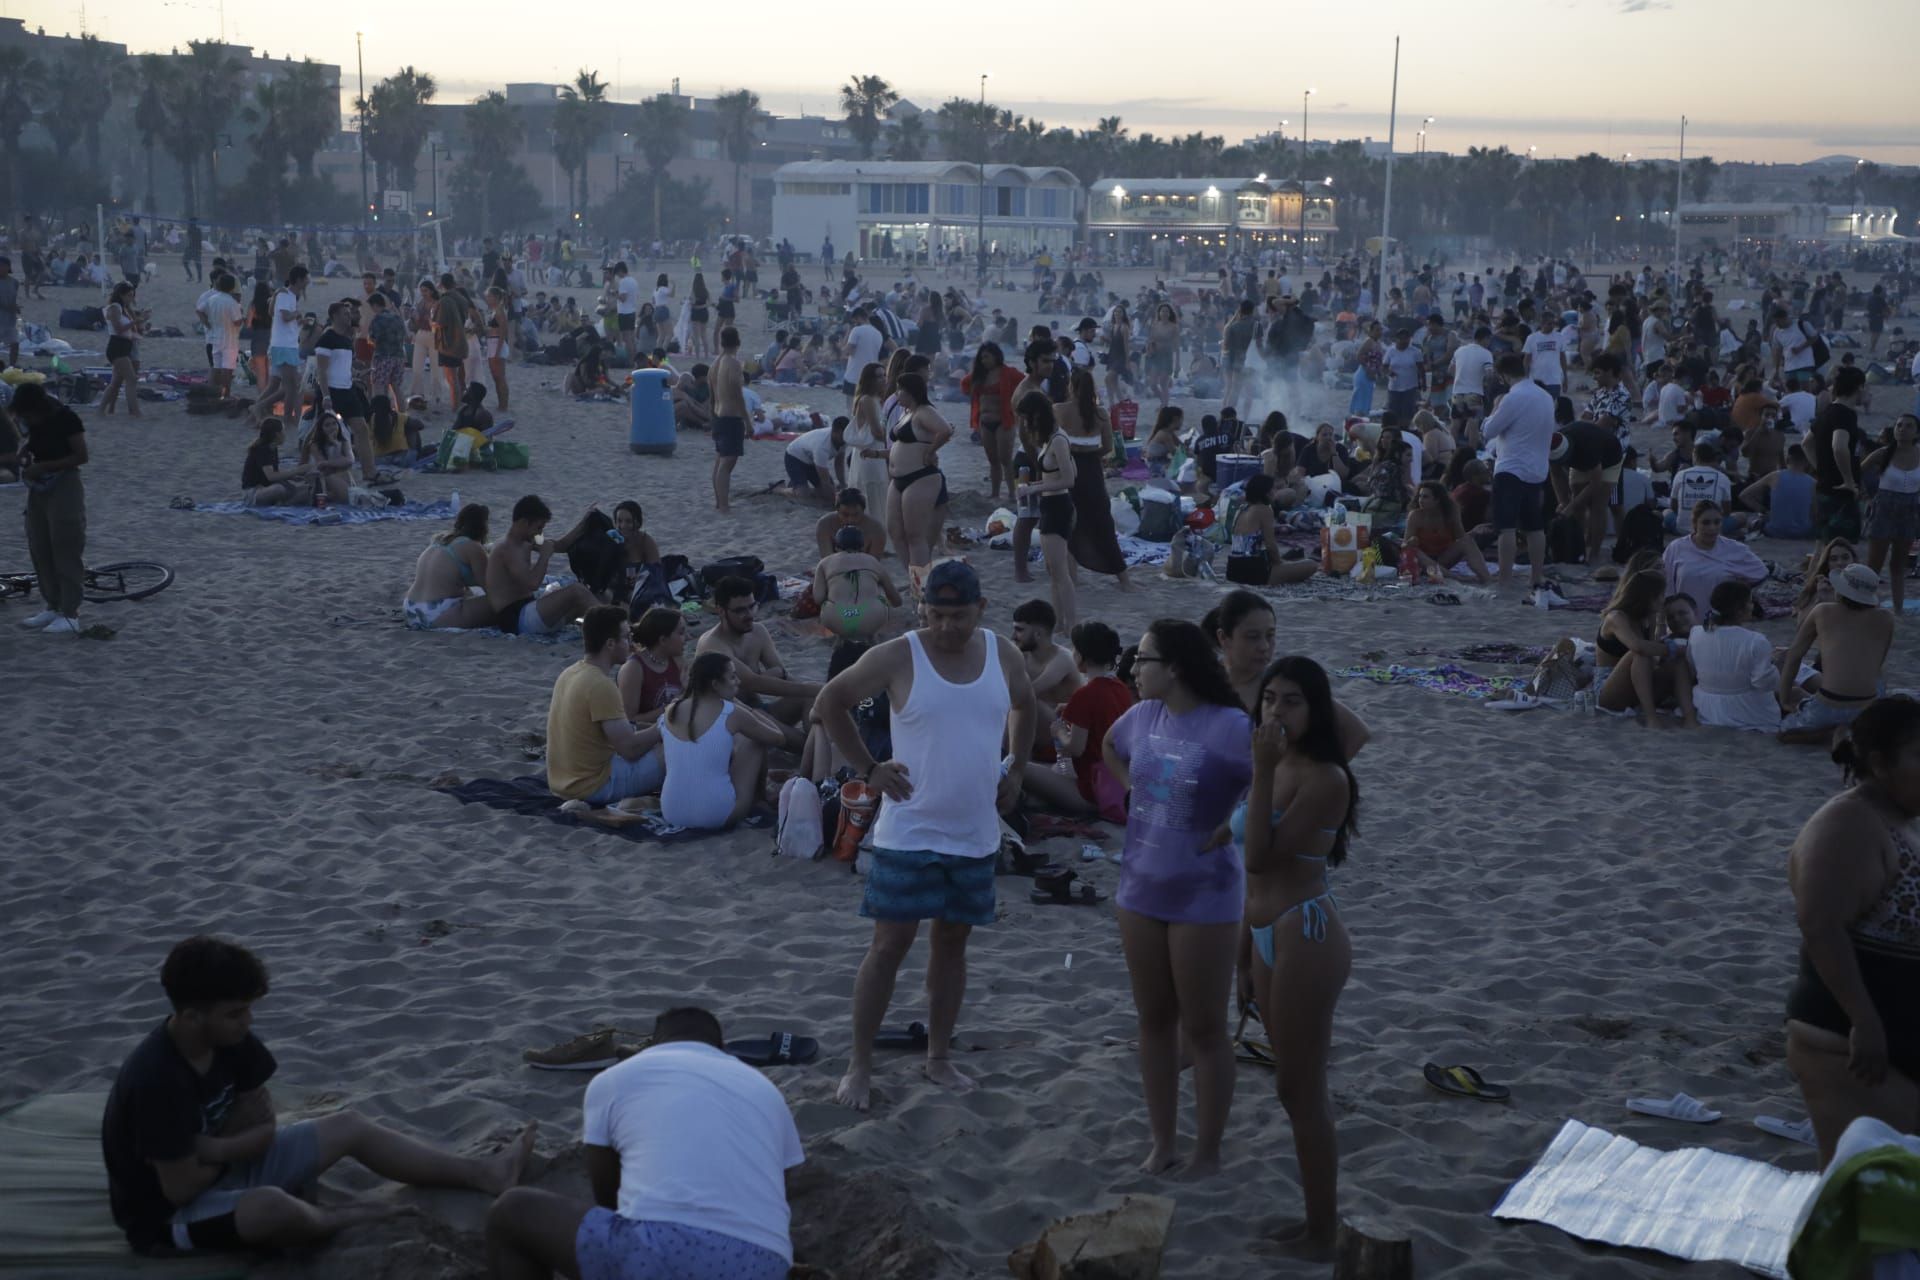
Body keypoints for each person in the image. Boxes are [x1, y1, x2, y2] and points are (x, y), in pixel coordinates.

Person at [102, 935, 533, 1258]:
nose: (247, 1022)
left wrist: (216, 1145)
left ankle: (482, 1174)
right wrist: (237, 1137)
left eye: (249, 1009)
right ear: (192, 1016)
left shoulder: (232, 1041)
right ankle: (342, 1217)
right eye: (235, 1012)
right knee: (271, 1208)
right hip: (169, 1218)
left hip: (227, 1168)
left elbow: (264, 1129)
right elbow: (180, 1189)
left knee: (350, 1126)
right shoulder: (156, 1080)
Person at [814, 561, 1036, 1110]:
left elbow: (1026, 706)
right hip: (910, 830)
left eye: (957, 616)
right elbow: (829, 703)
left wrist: (1018, 769)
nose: (945, 627)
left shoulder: (1001, 652)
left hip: (975, 832)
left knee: (952, 945)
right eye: (935, 615)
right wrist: (869, 770)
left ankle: (938, 1056)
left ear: (980, 609)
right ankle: (859, 1064)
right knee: (889, 945)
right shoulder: (899, 654)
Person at [485, 1005, 803, 1280]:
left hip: (662, 1252)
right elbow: (783, 1190)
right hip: (766, 1265)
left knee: (512, 1211)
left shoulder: (615, 1078)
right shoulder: (767, 1092)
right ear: (721, 1049)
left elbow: (608, 1196)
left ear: (652, 1044)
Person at [1101, 619, 1251, 1176]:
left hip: (1205, 896)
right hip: (1138, 888)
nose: (1133, 670)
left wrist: (1235, 824)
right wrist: (1129, 787)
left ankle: (1207, 1151)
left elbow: (1276, 783)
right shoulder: (1141, 717)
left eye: (1143, 660)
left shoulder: (1231, 726)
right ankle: (1162, 1142)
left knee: (1206, 1028)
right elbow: (1107, 747)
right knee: (1154, 1021)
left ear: (1177, 667)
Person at [1238, 656, 1358, 1253]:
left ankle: (1321, 1230)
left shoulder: (1324, 778)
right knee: (1293, 1086)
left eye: (1292, 702)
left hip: (1304, 930)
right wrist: (1240, 952)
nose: (1276, 712)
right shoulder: (1274, 762)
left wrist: (1260, 772)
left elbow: (1260, 855)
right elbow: (1245, 873)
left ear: (1316, 710)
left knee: (1300, 1090)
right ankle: (1315, 1223)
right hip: (1263, 929)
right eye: (1269, 699)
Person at [1782, 697, 1920, 1165]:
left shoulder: (1901, 819)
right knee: (1867, 1190)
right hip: (1848, 1037)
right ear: (1880, 763)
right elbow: (1820, 925)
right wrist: (1863, 1019)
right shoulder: (1847, 824)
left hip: (1892, 1030)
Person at [547, 605, 667, 804]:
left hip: (562, 782)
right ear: (610, 644)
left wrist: (653, 731)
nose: (631, 643)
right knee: (676, 748)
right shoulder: (601, 686)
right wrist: (665, 724)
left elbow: (618, 733)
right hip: (592, 787)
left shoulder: (570, 673)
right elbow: (629, 749)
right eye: (627, 637)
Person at [1020, 620, 1133, 817]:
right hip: (1115, 779)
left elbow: (1075, 748)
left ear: (1081, 656)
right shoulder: (1120, 688)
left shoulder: (1086, 695)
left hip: (1091, 791)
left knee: (1016, 767)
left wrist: (1060, 731)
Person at [695, 576, 820, 743]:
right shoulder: (712, 644)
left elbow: (781, 676)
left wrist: (815, 692)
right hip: (731, 721)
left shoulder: (758, 632)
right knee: (802, 740)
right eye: (740, 610)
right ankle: (813, 754)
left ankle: (818, 755)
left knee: (812, 698)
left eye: (752, 607)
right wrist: (814, 688)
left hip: (759, 710)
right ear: (721, 611)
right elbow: (753, 683)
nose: (749, 615)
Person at [1779, 565, 1896, 743]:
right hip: (1868, 706)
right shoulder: (1887, 618)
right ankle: (1855, 729)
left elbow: (1794, 656)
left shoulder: (1822, 611)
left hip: (1831, 704)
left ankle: (1830, 734)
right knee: (1879, 673)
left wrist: (1785, 699)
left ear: (1841, 591)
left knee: (1784, 731)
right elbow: (1878, 663)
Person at [10, 384, 88, 634]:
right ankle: (52, 605)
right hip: (39, 487)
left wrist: (45, 467)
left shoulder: (66, 419)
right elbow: (35, 442)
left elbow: (81, 456)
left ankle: (70, 612)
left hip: (64, 482)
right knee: (40, 545)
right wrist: (25, 451)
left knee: (65, 544)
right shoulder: (33, 421)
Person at [1480, 353, 1558, 600]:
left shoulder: (1513, 398)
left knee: (1507, 527)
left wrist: (1493, 409)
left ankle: (1505, 579)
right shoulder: (1545, 396)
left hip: (1511, 467)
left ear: (1503, 376)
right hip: (1537, 469)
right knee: (1535, 527)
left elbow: (1489, 431)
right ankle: (1536, 575)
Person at [1057, 367, 1132, 589]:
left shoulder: (1058, 410)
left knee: (1067, 524)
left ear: (1071, 386)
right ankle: (1124, 580)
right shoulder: (1100, 414)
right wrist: (1090, 456)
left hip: (1067, 469)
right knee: (1103, 525)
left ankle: (1072, 578)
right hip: (1092, 472)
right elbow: (1108, 447)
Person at [1594, 568, 1696, 727]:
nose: (1663, 600)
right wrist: (1672, 649)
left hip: (1639, 682)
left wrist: (1661, 622)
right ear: (1648, 597)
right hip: (1608, 690)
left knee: (1677, 661)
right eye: (1660, 595)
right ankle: (1651, 718)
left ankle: (1690, 719)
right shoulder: (1616, 618)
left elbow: (1656, 646)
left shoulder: (1648, 616)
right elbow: (1638, 646)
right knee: (1639, 653)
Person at [485, 496, 598, 636]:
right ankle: (618, 626)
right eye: (538, 527)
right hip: (517, 620)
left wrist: (584, 523)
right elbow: (533, 583)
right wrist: (544, 556)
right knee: (577, 591)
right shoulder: (506, 548)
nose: (540, 533)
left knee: (586, 600)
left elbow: (560, 545)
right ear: (524, 522)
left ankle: (612, 628)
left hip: (529, 611)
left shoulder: (525, 541)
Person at [1015, 391, 1078, 630]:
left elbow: (1070, 479)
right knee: (1053, 570)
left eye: (1026, 418)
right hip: (1051, 504)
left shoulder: (1059, 440)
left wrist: (1034, 489)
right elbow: (1058, 476)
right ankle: (1060, 622)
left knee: (1060, 572)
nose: (1025, 423)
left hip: (1058, 506)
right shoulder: (1052, 439)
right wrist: (1035, 486)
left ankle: (1071, 623)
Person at [1686, 580, 1782, 732]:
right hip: (1747, 711)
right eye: (1750, 602)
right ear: (1739, 610)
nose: (1752, 606)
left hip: (1707, 707)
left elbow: (1693, 669)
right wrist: (1777, 665)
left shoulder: (1696, 632)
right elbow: (1763, 683)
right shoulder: (1756, 640)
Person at [885, 372, 951, 577]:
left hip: (921, 477)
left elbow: (945, 430)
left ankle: (920, 585)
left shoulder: (924, 411)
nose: (897, 393)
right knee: (896, 532)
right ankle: (915, 579)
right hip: (898, 479)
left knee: (915, 535)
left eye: (900, 389)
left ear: (910, 391)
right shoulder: (906, 412)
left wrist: (931, 452)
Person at [1860, 414, 1920, 615]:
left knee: (1899, 564)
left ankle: (1899, 608)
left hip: (1909, 510)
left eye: (1908, 426)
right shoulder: (1884, 453)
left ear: (1916, 432)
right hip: (1884, 507)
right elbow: (1858, 471)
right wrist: (1865, 494)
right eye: (1899, 425)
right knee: (1874, 564)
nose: (1902, 429)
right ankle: (1864, 604)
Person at [401, 503, 497, 630]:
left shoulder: (440, 539)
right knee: (501, 601)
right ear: (483, 527)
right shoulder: (473, 547)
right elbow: (491, 589)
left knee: (469, 592)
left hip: (411, 608)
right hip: (436, 613)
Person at [1662, 501, 1767, 614]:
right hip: (1684, 621)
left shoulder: (1734, 549)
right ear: (1695, 523)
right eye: (1706, 523)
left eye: (1717, 522)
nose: (1712, 528)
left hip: (1719, 622)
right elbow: (1666, 588)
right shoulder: (1676, 548)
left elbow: (1761, 573)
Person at [813, 523, 904, 644]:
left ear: (836, 547)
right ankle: (871, 636)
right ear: (862, 546)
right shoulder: (872, 561)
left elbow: (818, 598)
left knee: (828, 599)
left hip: (837, 617)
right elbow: (897, 601)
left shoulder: (825, 563)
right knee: (879, 590)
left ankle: (841, 636)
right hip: (871, 616)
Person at [1225, 474, 1319, 587]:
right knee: (1311, 564)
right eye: (1274, 488)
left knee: (1291, 558)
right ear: (1266, 492)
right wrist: (1280, 564)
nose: (1276, 491)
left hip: (1232, 570)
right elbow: (1270, 545)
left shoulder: (1242, 508)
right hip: (1252, 572)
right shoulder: (1264, 510)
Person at [1549, 422, 1623, 565]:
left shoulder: (1589, 447)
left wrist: (1570, 506)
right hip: (1580, 461)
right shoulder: (1551, 444)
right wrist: (1563, 502)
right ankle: (1578, 548)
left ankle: (1594, 552)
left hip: (1609, 459)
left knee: (1598, 505)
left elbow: (1595, 484)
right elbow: (1556, 475)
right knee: (1577, 507)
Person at [1810, 365, 1868, 541]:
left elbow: (1806, 443)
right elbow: (1839, 446)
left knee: (1824, 547)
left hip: (1825, 488)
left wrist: (1820, 468)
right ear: (1859, 387)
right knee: (1840, 547)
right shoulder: (1845, 414)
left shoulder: (1828, 411)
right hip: (1839, 494)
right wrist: (1848, 481)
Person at [963, 341, 1021, 500]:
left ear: (996, 356)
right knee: (993, 460)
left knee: (1005, 459)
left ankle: (1012, 493)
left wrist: (1016, 405)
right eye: (982, 358)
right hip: (985, 422)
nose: (984, 361)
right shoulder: (979, 375)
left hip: (1004, 421)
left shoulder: (1008, 372)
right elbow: (964, 384)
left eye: (987, 357)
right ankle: (995, 493)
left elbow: (1025, 383)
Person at [251, 266, 308, 427]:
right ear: (299, 279)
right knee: (291, 386)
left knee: (277, 384)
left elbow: (277, 316)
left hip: (284, 344)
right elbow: (284, 316)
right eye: (306, 278)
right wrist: (296, 315)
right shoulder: (285, 294)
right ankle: (284, 417)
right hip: (284, 346)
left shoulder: (288, 295)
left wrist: (299, 322)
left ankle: (255, 412)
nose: (308, 282)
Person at [1403, 480, 1490, 584]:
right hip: (1423, 563)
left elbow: (1461, 537)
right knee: (1413, 550)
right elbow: (1405, 546)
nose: (1420, 500)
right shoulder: (1415, 516)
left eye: (1425, 497)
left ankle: (1486, 578)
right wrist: (1412, 541)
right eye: (1420, 496)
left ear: (1437, 500)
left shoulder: (1450, 514)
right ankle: (1457, 578)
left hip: (1443, 559)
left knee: (1467, 541)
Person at [618, 606, 688, 724]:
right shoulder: (634, 669)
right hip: (650, 737)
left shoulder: (677, 659)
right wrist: (672, 707)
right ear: (663, 640)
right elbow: (629, 720)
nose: (687, 638)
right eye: (681, 633)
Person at [1741, 445, 1818, 540]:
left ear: (1788, 459)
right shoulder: (1813, 483)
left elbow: (1744, 495)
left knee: (1751, 518)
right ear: (1807, 462)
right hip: (1802, 533)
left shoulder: (1775, 476)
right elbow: (1815, 513)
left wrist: (1764, 511)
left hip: (1775, 531)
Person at [711, 327, 748, 513]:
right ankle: (724, 505)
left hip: (718, 415)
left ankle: (720, 502)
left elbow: (712, 391)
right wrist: (748, 422)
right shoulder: (733, 363)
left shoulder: (717, 362)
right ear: (738, 342)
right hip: (730, 417)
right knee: (727, 462)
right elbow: (737, 394)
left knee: (720, 460)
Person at [846, 363, 892, 513]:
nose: (883, 379)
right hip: (870, 452)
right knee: (872, 492)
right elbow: (877, 432)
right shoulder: (867, 400)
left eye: (884, 375)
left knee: (878, 494)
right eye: (878, 376)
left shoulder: (878, 400)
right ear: (869, 380)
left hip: (877, 451)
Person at [240, 417, 312, 508]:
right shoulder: (262, 449)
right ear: (277, 434)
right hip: (253, 492)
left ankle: (285, 503)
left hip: (267, 487)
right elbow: (271, 476)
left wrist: (292, 477)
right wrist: (296, 470)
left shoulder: (272, 448)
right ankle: (285, 502)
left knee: (307, 490)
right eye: (283, 431)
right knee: (279, 489)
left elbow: (276, 474)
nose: (285, 434)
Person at [101, 281, 143, 417]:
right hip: (117, 347)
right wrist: (135, 321)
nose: (131, 298)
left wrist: (138, 328)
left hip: (125, 346)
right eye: (129, 295)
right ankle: (134, 411)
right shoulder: (115, 308)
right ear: (121, 294)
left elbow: (127, 330)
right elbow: (118, 329)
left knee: (116, 382)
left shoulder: (124, 308)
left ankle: (101, 410)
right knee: (131, 379)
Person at [782, 418, 846, 504]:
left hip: (812, 461)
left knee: (827, 491)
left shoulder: (844, 439)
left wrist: (842, 484)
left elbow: (839, 463)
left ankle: (796, 483)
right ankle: (779, 489)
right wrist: (836, 499)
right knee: (803, 493)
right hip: (794, 457)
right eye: (842, 435)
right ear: (834, 432)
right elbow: (825, 481)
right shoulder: (822, 446)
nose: (845, 438)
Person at [297, 411, 355, 507]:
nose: (332, 427)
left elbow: (350, 460)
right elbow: (322, 467)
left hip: (338, 477)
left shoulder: (343, 442)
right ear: (321, 429)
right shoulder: (315, 445)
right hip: (322, 478)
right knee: (328, 477)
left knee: (345, 475)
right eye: (327, 425)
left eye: (334, 424)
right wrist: (335, 462)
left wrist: (336, 445)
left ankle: (324, 496)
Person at [814, 489, 889, 561]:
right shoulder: (824, 524)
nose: (851, 519)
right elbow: (827, 560)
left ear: (863, 511)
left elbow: (873, 563)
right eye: (845, 514)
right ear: (837, 511)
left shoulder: (876, 529)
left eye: (856, 514)